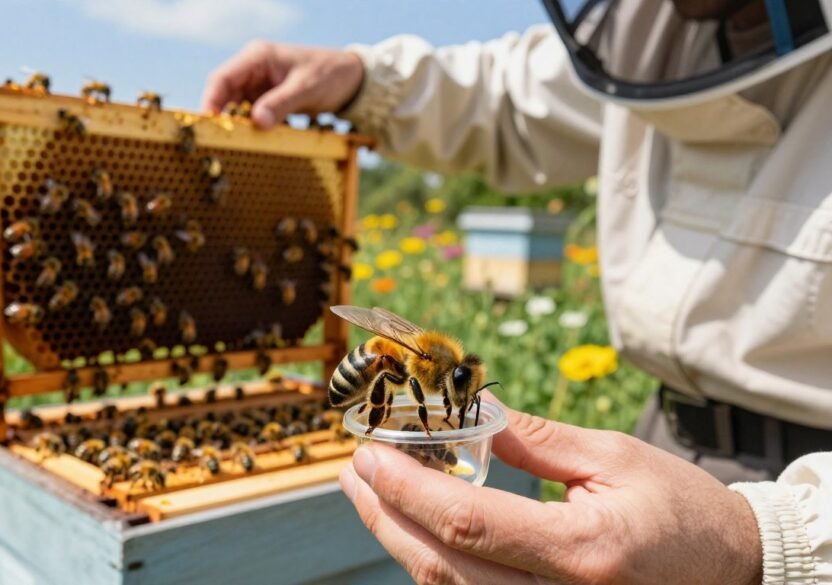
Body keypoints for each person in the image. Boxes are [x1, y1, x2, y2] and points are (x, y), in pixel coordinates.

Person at [202, 0, 832, 581]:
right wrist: (363, 81)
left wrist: (783, 543)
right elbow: (517, 94)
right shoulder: (644, 28)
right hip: (661, 449)